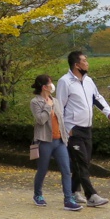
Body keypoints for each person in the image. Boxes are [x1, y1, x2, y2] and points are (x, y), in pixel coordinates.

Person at [55, 50, 110, 207]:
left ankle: (73, 191)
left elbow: (97, 98)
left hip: (86, 128)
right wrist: (64, 129)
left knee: (84, 162)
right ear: (77, 65)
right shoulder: (65, 82)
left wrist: (109, 113)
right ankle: (92, 195)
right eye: (85, 61)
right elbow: (59, 107)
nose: (87, 63)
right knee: (81, 162)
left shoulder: (89, 81)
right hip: (73, 129)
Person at [30, 74, 80, 211]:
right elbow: (40, 120)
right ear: (44, 87)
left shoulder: (56, 101)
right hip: (45, 141)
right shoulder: (36, 102)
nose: (52, 85)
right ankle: (38, 195)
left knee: (66, 170)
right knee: (42, 169)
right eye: (50, 83)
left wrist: (65, 137)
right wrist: (47, 107)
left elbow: (61, 120)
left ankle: (68, 199)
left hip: (59, 141)